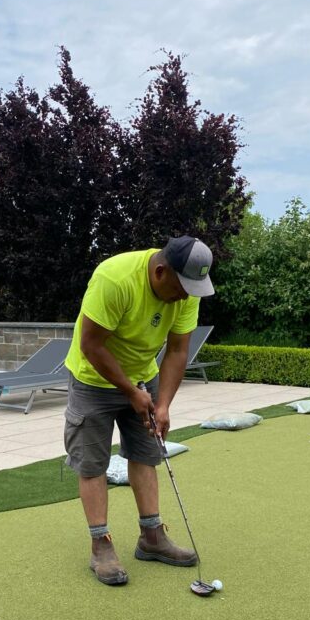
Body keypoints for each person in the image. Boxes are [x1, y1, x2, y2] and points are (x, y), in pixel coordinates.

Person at [63, 235, 214, 585]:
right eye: (182, 287)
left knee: (146, 455)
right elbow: (90, 344)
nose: (186, 296)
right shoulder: (115, 279)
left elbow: (177, 351)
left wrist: (162, 405)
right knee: (92, 463)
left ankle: (152, 536)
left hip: (144, 377)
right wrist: (130, 391)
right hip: (93, 379)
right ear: (161, 271)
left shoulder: (186, 292)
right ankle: (101, 543)